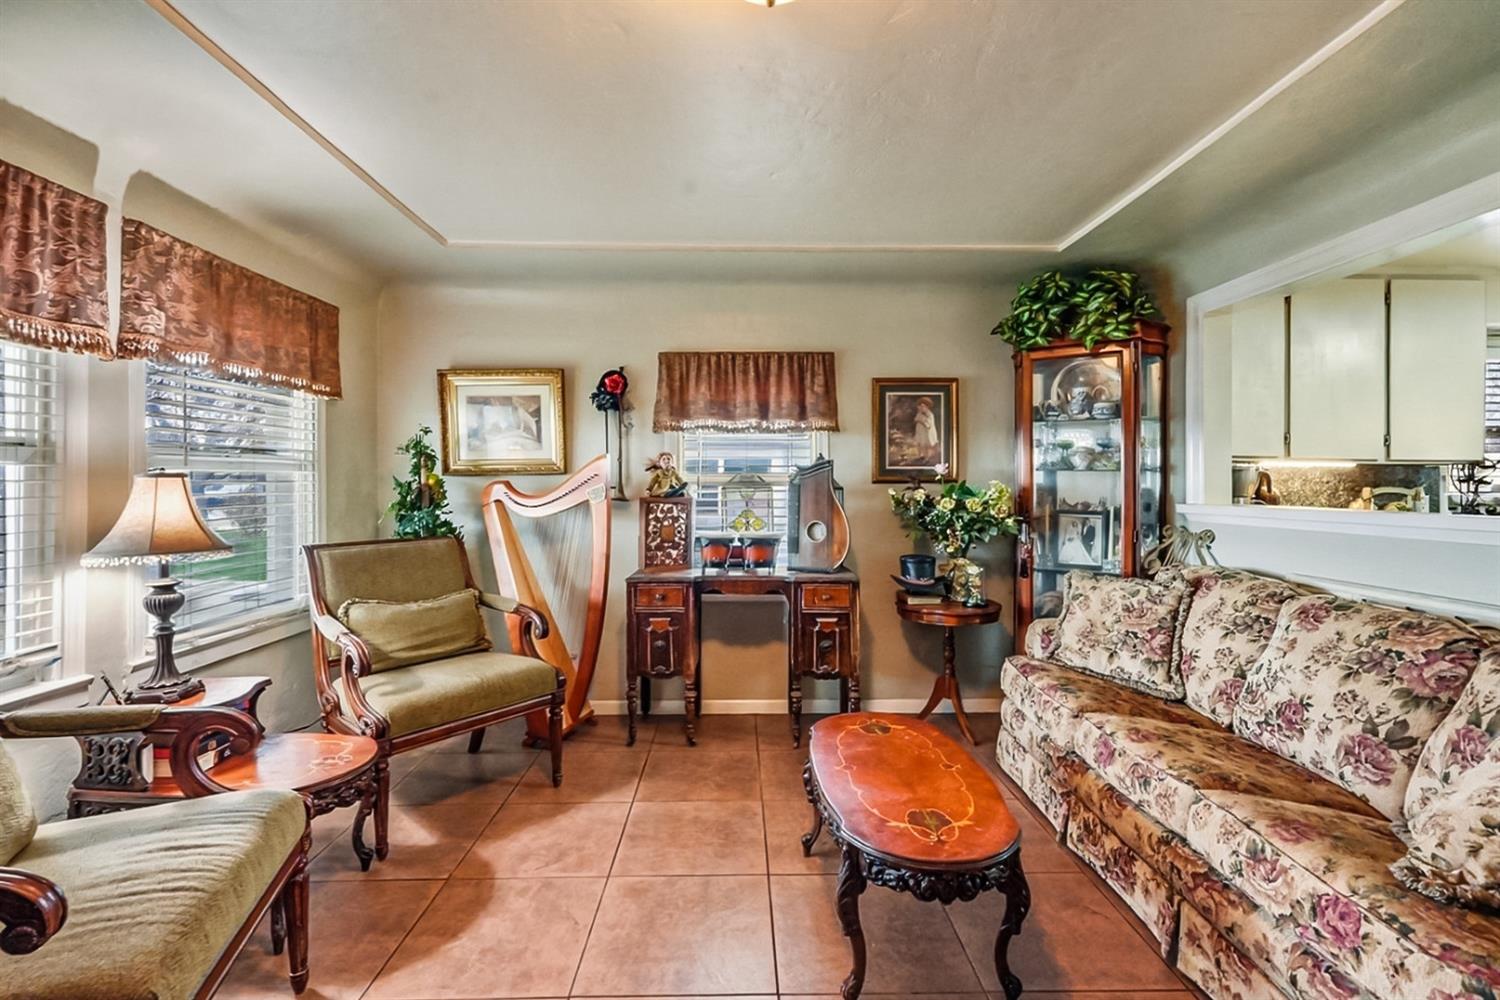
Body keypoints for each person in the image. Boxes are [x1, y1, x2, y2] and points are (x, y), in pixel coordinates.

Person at [912, 397, 940, 465]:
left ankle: (927, 457)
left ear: (927, 407)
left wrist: (922, 420)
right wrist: (918, 420)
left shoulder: (930, 415)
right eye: (920, 406)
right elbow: (915, 419)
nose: (921, 408)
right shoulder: (919, 413)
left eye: (923, 406)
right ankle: (920, 455)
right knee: (919, 443)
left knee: (926, 445)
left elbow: (929, 425)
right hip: (920, 431)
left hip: (927, 433)